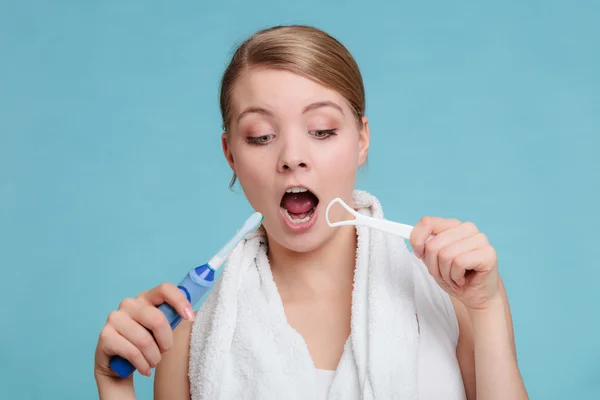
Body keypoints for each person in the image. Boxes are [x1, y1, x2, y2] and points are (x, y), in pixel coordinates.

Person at [94, 25, 528, 399]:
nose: (292, 156)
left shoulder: (456, 300)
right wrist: (113, 387)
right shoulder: (187, 337)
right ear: (230, 155)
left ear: (361, 139)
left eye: (322, 130)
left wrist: (487, 308)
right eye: (261, 136)